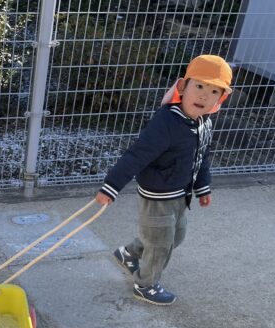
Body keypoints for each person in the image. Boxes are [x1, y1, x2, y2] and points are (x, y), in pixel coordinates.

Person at [95, 54, 232, 305]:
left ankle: (130, 253)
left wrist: (203, 187)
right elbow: (137, 155)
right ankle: (145, 284)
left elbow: (202, 156)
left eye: (213, 91)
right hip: (157, 195)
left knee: (175, 237)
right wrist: (111, 186)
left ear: (220, 99)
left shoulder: (203, 123)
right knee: (160, 244)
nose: (203, 95)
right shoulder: (166, 122)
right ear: (183, 87)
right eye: (199, 86)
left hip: (180, 193)